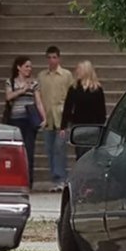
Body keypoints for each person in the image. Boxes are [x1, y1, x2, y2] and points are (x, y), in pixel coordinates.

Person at [4, 56, 47, 189]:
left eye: (30, 67)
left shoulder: (34, 83)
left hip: (29, 121)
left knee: (29, 150)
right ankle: (14, 179)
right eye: (26, 66)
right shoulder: (11, 82)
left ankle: (28, 181)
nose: (29, 69)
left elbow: (38, 101)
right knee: (15, 151)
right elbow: (8, 96)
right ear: (19, 67)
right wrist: (22, 90)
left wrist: (44, 117)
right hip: (15, 120)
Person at [37, 46, 73, 192]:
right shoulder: (41, 76)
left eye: (54, 57)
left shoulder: (66, 75)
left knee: (59, 148)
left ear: (59, 58)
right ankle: (55, 178)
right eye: (49, 58)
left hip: (61, 117)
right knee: (50, 149)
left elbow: (72, 94)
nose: (52, 60)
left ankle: (61, 178)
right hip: (47, 118)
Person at [61, 60, 106, 160]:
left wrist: (102, 127)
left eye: (79, 69)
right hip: (79, 126)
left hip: (93, 126)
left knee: (91, 153)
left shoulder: (97, 89)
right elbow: (68, 107)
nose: (77, 71)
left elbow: (101, 111)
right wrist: (63, 125)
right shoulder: (74, 88)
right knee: (80, 153)